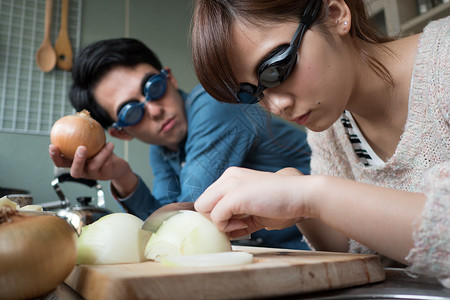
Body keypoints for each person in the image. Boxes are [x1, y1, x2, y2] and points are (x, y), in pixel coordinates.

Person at [190, 0, 449, 286]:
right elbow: (350, 247)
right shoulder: (331, 127)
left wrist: (310, 195)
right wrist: (296, 202)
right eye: (253, 94)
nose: (276, 106)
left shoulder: (444, 61)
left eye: (275, 70)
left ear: (335, 14)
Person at [48, 38, 313, 250]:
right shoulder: (162, 150)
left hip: (335, 241)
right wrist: (121, 174)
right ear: (122, 133)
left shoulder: (215, 103)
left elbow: (187, 217)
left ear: (170, 78)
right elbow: (162, 222)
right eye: (131, 111)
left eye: (154, 86)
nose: (154, 110)